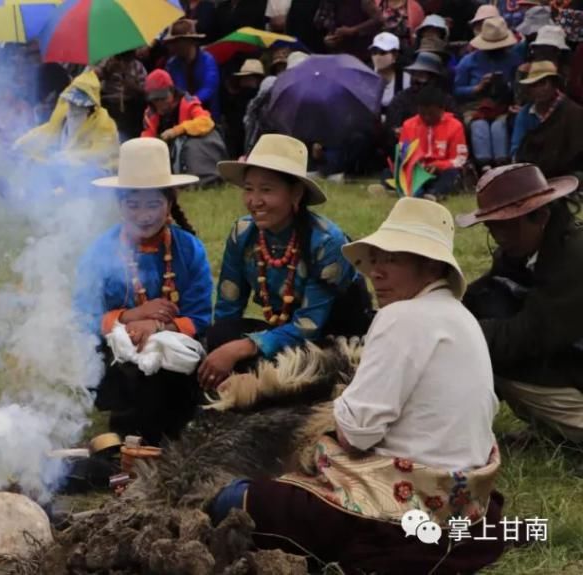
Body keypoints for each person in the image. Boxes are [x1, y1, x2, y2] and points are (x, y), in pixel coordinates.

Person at [208, 198, 505, 574]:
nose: (376, 272)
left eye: (392, 260)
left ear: (430, 265)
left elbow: (357, 433)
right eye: (375, 260)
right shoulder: (463, 319)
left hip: (406, 513)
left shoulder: (400, 316)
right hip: (466, 506)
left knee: (235, 498)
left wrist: (338, 411)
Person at [197, 135, 368, 388]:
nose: (254, 201)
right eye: (248, 189)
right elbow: (227, 309)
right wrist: (221, 347)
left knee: (300, 372)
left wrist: (243, 347)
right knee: (220, 336)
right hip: (283, 335)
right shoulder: (243, 234)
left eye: (266, 190)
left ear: (296, 193)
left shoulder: (326, 242)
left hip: (331, 339)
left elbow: (309, 327)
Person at [75, 138, 213, 445]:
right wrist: (130, 317)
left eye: (153, 204)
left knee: (170, 376)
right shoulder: (100, 251)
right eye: (133, 204)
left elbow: (200, 315)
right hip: (117, 355)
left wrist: (156, 326)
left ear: (170, 202)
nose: (143, 214)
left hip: (173, 353)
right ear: (120, 204)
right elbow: (84, 315)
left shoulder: (189, 249)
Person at [459, 164, 583, 443]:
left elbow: (530, 335)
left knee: (484, 350)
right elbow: (482, 295)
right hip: (564, 355)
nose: (500, 237)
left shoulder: (574, 258)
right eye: (493, 227)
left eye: (508, 226)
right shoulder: (524, 249)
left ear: (541, 216)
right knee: (487, 304)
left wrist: (456, 335)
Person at [13, 69, 120, 176]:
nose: (74, 107)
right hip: (63, 172)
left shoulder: (104, 124)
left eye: (79, 104)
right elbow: (46, 131)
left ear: (91, 107)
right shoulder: (63, 115)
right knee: (35, 163)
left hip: (95, 177)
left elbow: (103, 153)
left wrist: (71, 157)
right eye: (71, 102)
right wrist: (21, 143)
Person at [454, 17, 523, 170]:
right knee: (480, 126)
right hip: (475, 107)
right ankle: (484, 166)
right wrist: (476, 88)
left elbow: (520, 88)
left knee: (499, 127)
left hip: (503, 106)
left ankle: (502, 164)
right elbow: (456, 90)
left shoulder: (514, 60)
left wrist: (507, 87)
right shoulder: (468, 61)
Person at [141, 70, 227, 187]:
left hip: (191, 152)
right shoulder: (150, 113)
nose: (160, 103)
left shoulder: (187, 102)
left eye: (163, 98)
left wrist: (176, 130)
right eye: (155, 99)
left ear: (172, 91)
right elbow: (147, 136)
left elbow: (206, 122)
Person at [511, 61, 583, 177]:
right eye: (534, 85)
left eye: (543, 83)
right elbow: (516, 148)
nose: (539, 89)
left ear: (554, 85)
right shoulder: (525, 114)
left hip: (568, 173)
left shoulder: (573, 112)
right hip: (533, 174)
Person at [397, 85, 469, 199]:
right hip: (416, 172)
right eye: (422, 114)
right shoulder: (408, 125)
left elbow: (460, 159)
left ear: (442, 110)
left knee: (452, 174)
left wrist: (439, 166)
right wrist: (416, 166)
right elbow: (403, 155)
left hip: (441, 172)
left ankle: (434, 194)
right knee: (391, 171)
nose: (427, 117)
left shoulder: (455, 126)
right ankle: (411, 192)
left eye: (431, 114)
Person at [385, 51, 457, 139]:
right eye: (414, 74)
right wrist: (396, 131)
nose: (416, 79)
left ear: (433, 79)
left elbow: (457, 128)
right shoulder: (401, 98)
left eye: (421, 75)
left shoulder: (446, 100)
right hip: (408, 146)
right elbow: (391, 126)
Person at [164, 19, 221, 120]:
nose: (174, 46)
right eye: (173, 42)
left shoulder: (208, 60)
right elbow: (172, 89)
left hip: (208, 115)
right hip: (181, 117)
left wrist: (189, 102)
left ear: (191, 41)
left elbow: (209, 89)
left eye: (178, 42)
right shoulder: (172, 64)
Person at [98, 51, 148, 140]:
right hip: (108, 103)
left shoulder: (137, 66)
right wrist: (106, 71)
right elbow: (95, 79)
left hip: (129, 106)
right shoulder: (108, 62)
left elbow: (146, 91)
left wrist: (133, 86)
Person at [223, 59, 265, 159]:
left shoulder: (262, 101)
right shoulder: (234, 99)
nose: (245, 81)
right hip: (236, 145)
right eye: (243, 78)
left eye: (249, 78)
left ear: (257, 80)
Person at [318, 0, 384, 61]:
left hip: (364, 51)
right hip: (341, 53)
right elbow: (322, 21)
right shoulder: (329, 2)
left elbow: (378, 19)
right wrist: (330, 37)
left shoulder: (363, 1)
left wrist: (353, 30)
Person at [370, 32, 407, 108]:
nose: (377, 56)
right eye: (374, 52)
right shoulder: (366, 77)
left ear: (395, 55)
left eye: (382, 52)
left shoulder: (406, 79)